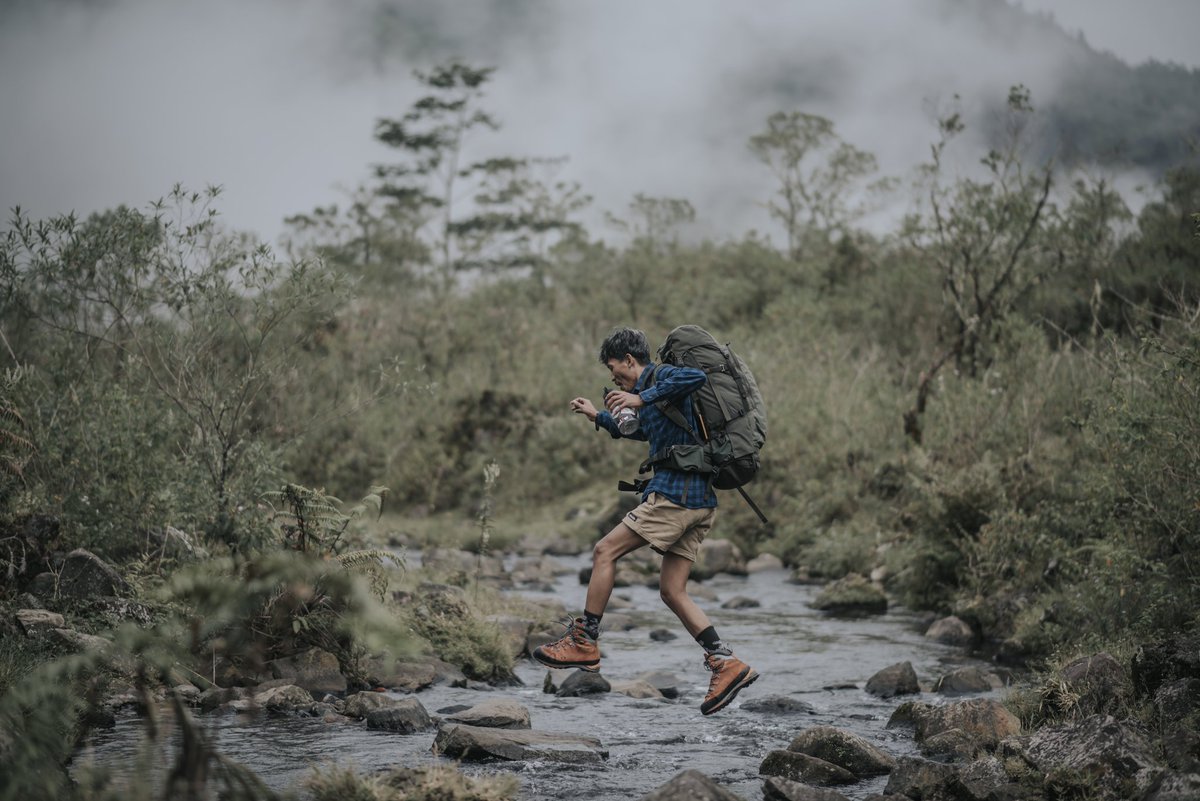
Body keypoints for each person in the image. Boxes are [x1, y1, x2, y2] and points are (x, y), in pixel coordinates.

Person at [532, 327, 759, 715]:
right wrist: (599, 416)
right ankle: (726, 661)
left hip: (675, 496)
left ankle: (584, 642)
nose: (613, 377)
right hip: (699, 501)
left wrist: (640, 397)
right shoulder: (656, 397)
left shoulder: (663, 376)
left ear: (629, 360)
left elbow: (696, 377)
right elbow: (645, 432)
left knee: (604, 551)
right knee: (672, 591)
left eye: (614, 369)